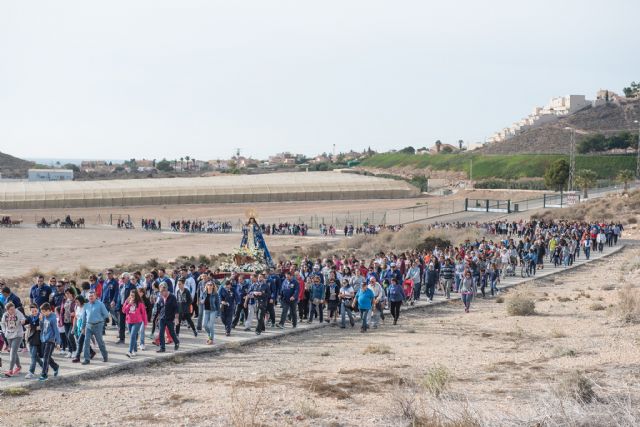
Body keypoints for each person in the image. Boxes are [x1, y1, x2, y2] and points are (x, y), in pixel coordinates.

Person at [81, 291, 110, 365]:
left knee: (100, 342)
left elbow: (106, 315)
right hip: (88, 326)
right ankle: (86, 359)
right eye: (89, 296)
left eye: (92, 296)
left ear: (95, 296)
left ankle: (105, 356)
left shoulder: (100, 304)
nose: (90, 297)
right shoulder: (86, 305)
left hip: (98, 326)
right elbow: (84, 318)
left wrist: (100, 320)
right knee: (86, 342)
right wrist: (83, 327)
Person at [1, 302, 26, 377]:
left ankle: (10, 370)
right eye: (11, 309)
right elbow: (2, 323)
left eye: (14, 308)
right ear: (7, 310)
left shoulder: (18, 312)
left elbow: (23, 318)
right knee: (14, 352)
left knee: (12, 352)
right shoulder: (5, 315)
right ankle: (18, 367)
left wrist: (23, 321)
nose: (13, 310)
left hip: (18, 334)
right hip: (9, 335)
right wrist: (5, 331)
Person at [155, 283, 180, 353]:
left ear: (166, 290)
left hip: (170, 318)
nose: (162, 293)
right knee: (161, 332)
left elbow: (176, 308)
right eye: (161, 292)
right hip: (162, 318)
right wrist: (157, 317)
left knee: (172, 332)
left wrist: (176, 318)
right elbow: (159, 308)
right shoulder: (160, 297)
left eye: (163, 291)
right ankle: (162, 348)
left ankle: (176, 342)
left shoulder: (172, 297)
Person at [39, 302, 61, 381]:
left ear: (48, 310)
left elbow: (56, 331)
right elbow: (42, 327)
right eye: (42, 312)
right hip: (44, 339)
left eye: (44, 312)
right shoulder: (45, 316)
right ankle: (55, 367)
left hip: (51, 340)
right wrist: (41, 320)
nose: (43, 313)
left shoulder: (53, 318)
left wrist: (58, 342)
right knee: (46, 356)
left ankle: (44, 374)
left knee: (45, 357)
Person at [122, 290, 147, 358]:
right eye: (131, 295)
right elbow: (124, 311)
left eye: (133, 295)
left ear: (136, 296)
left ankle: (130, 351)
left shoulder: (140, 303)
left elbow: (144, 313)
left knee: (133, 335)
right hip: (129, 321)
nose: (132, 297)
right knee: (133, 336)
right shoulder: (127, 301)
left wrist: (145, 323)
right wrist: (129, 304)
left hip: (137, 322)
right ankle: (135, 350)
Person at [24, 304, 44, 379]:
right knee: (34, 356)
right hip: (31, 338)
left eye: (35, 311)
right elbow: (25, 323)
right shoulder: (30, 317)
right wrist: (24, 323)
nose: (34, 312)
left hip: (38, 339)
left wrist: (32, 326)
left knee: (33, 356)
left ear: (38, 310)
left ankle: (31, 372)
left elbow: (41, 327)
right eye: (32, 311)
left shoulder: (41, 317)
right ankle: (44, 367)